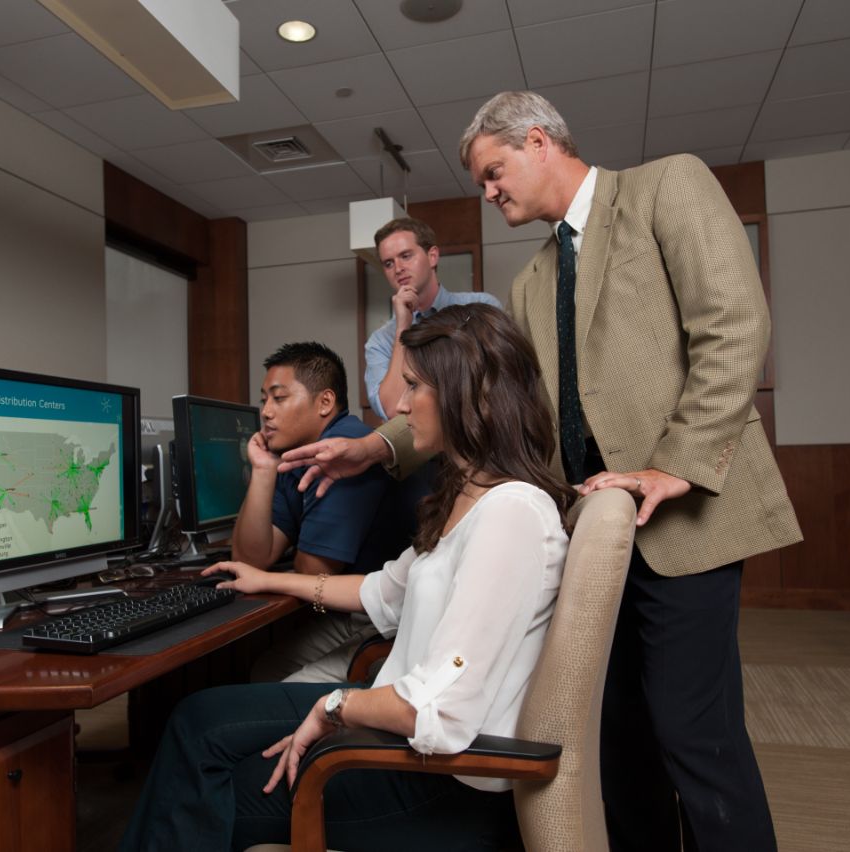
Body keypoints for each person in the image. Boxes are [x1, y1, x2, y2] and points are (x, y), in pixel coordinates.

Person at [278, 91, 803, 852]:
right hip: (593, 525)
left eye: (494, 172)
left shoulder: (665, 188)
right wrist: (378, 446)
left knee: (695, 734)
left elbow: (735, 325)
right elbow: (478, 397)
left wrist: (672, 465)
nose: (488, 193)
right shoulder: (531, 282)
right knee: (619, 738)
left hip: (685, 515)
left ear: (538, 140)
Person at [117, 304, 575, 852]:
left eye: (413, 387)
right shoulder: (469, 497)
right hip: (397, 734)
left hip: (435, 782)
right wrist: (269, 581)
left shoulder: (511, 516)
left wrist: (333, 707)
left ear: (465, 396)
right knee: (196, 719)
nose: (399, 407)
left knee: (206, 792)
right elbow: (379, 590)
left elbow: (439, 710)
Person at [233, 341, 411, 684]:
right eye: (263, 399)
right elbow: (252, 558)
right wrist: (263, 470)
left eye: (279, 397)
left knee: (269, 675)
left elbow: (315, 571)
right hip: (348, 610)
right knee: (262, 668)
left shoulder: (345, 450)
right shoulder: (292, 454)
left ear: (325, 402)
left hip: (381, 618)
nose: (266, 412)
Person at [364, 217, 500, 420]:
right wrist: (403, 327)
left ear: (433, 256)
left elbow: (506, 381)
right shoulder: (380, 341)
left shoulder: (481, 307)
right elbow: (393, 411)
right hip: (420, 448)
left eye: (406, 256)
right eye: (388, 263)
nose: (398, 268)